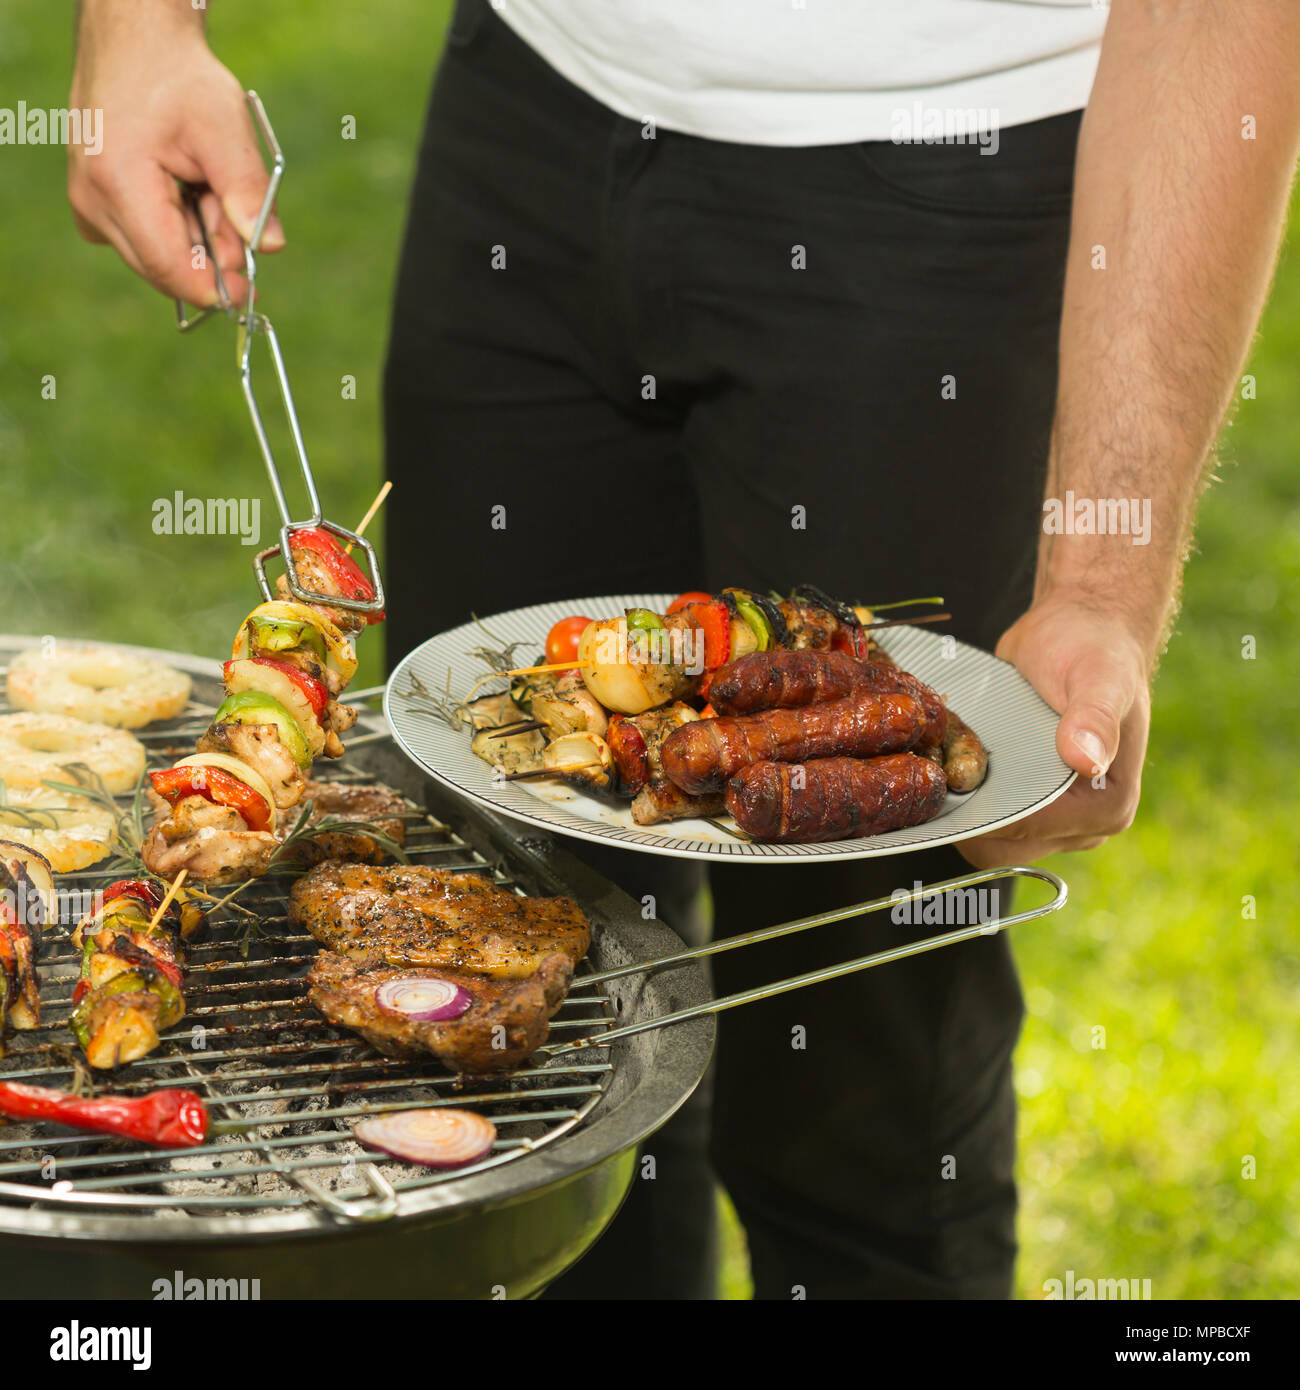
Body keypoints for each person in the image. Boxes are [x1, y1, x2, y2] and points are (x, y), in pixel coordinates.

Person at [67, 0, 1300, 1299]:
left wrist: (1102, 588)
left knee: (860, 1102)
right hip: (528, 100)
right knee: (503, 1043)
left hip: (948, 186)